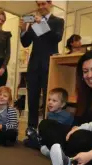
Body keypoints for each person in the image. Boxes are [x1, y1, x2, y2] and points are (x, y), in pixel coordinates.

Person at [19, 0, 65, 130]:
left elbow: (56, 38)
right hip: (33, 66)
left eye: (43, 4)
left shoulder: (58, 21)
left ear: (50, 4)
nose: (41, 7)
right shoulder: (33, 22)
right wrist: (23, 30)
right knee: (32, 98)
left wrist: (42, 24)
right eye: (38, 5)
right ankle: (31, 128)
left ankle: (46, 128)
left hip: (49, 65)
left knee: (48, 99)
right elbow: (25, 43)